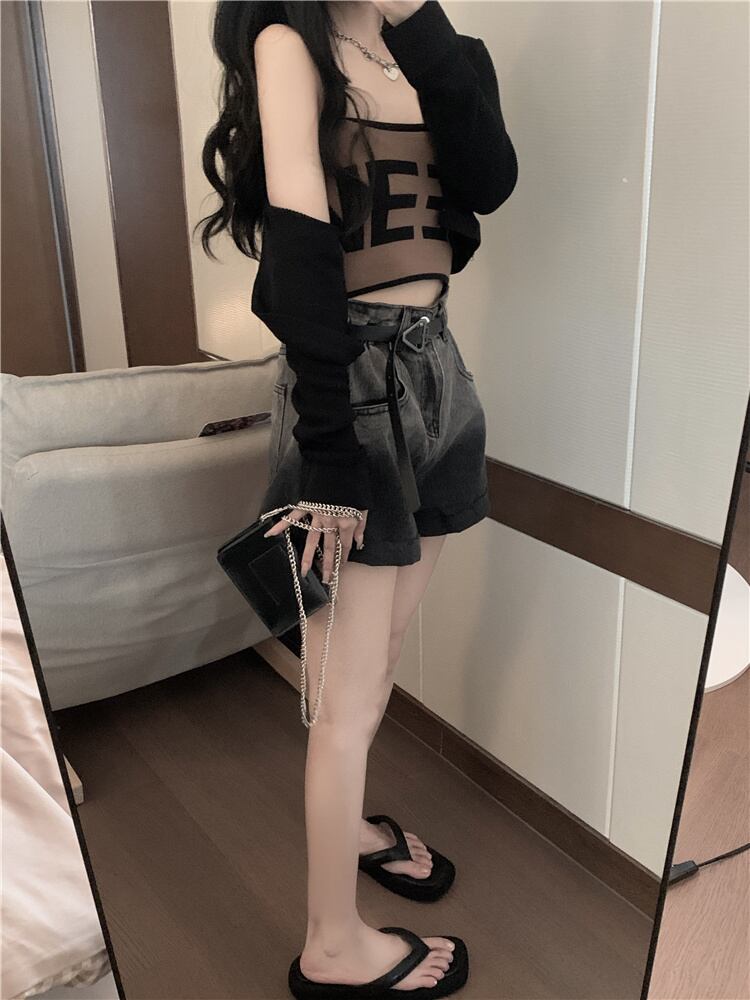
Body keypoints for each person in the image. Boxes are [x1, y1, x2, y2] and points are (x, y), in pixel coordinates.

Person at [198, 2, 517, 995]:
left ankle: (358, 832)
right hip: (354, 385)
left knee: (377, 659)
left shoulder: (439, 51)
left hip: (438, 372)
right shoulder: (288, 44)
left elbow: (490, 180)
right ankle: (330, 946)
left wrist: (416, 17)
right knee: (344, 696)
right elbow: (300, 251)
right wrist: (331, 453)